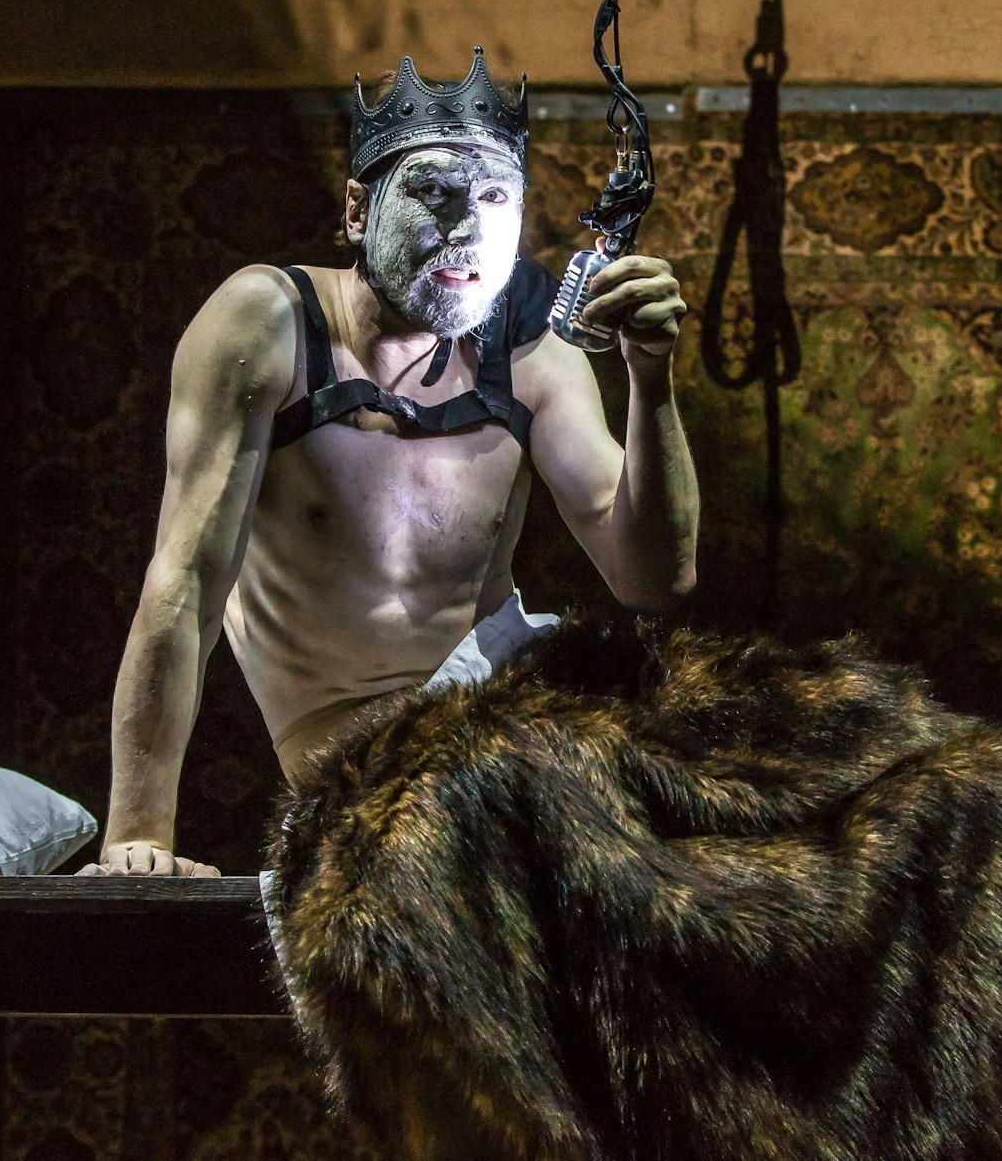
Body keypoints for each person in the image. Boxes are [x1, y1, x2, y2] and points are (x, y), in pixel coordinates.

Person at [79, 48, 698, 877]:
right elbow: (184, 587)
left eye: (493, 198)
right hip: (362, 782)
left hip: (515, 737)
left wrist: (651, 379)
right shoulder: (269, 323)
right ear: (357, 209)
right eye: (434, 193)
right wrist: (139, 835)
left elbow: (654, 579)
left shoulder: (533, 351)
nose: (467, 227)